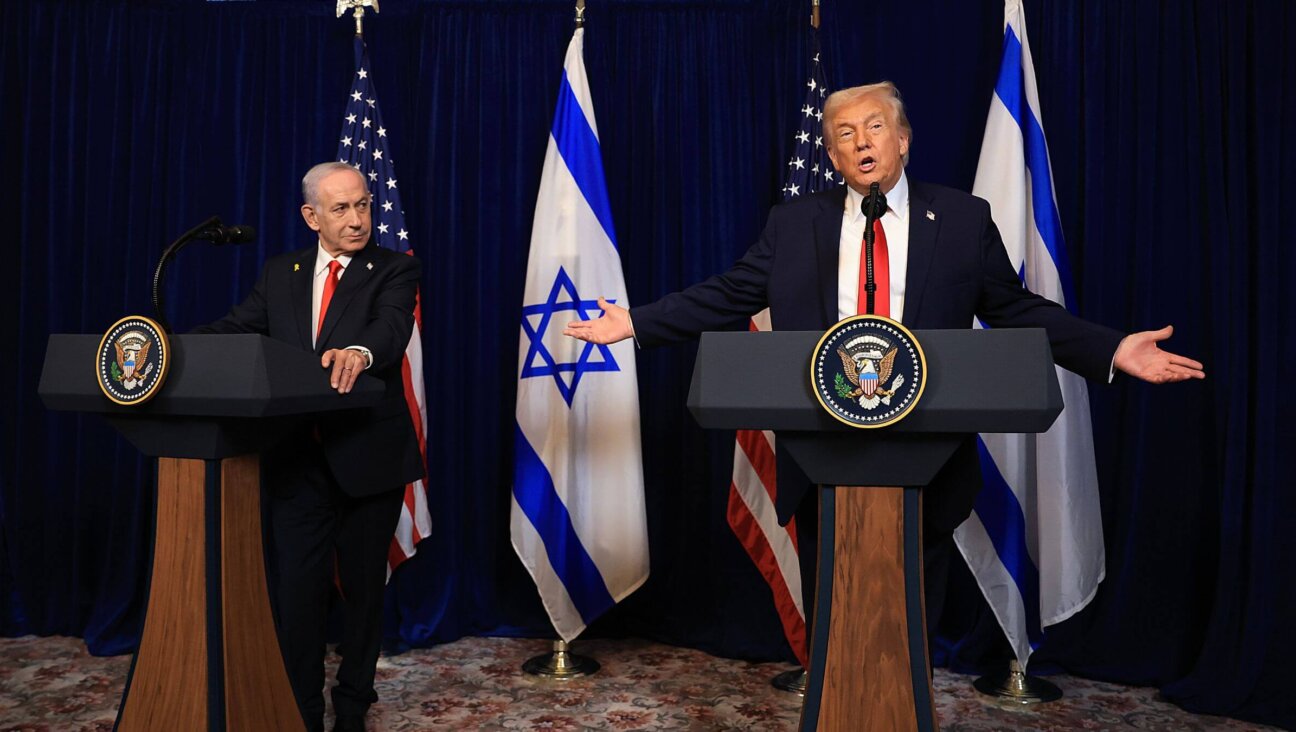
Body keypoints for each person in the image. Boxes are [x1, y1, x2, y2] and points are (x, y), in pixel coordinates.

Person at [564, 81, 1204, 635]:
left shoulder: (960, 218)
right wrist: (635, 323)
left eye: (874, 126)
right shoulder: (793, 225)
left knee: (911, 621)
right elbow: (729, 295)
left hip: (926, 454)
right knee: (833, 617)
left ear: (903, 140)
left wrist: (1112, 348)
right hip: (820, 451)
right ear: (833, 153)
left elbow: (1017, 309)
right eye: (844, 134)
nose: (861, 141)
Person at [194, 161, 423, 732]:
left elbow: (391, 330)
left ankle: (351, 713)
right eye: (341, 208)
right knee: (297, 598)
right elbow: (236, 328)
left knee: (366, 595)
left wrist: (360, 354)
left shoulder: (393, 268)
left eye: (363, 204)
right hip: (296, 461)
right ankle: (301, 714)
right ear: (311, 216)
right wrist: (167, 346)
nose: (357, 218)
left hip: (369, 457)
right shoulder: (280, 273)